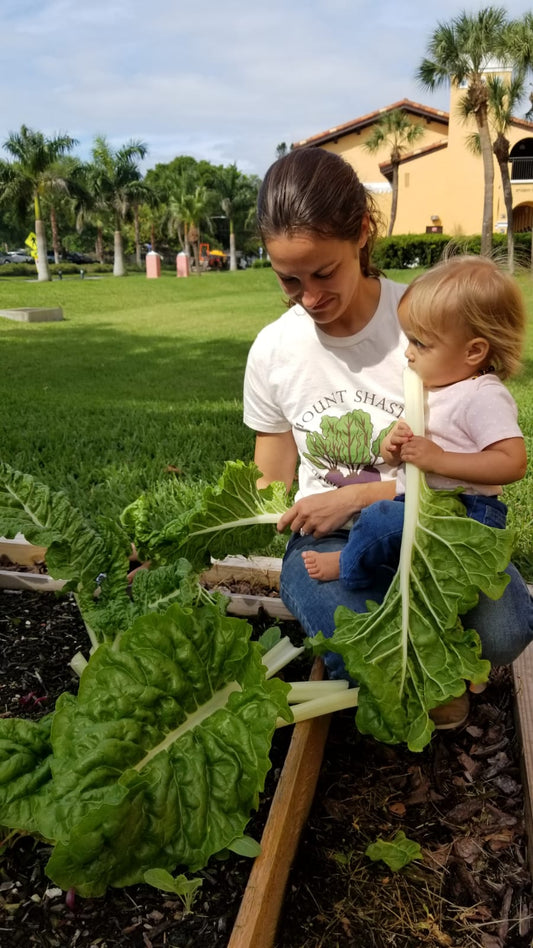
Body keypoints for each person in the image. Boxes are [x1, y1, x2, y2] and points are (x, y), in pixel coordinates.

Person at [243, 147, 533, 729]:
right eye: (289, 279)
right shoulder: (273, 351)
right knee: (362, 636)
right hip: (328, 544)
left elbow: (467, 457)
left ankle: (423, 674)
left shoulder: (428, 319)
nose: (309, 297)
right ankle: (431, 679)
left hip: (437, 522)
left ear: (363, 235)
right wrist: (267, 515)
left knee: (505, 631)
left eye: (324, 273)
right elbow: (272, 481)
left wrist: (353, 496)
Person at [302, 255, 527, 593]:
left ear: (473, 352)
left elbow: (513, 462)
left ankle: (349, 565)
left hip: (469, 512)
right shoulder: (431, 389)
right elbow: (401, 456)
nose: (408, 353)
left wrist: (439, 460)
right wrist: (392, 447)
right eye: (408, 339)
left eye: (420, 343)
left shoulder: (482, 396)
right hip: (423, 503)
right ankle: (372, 566)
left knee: (379, 520)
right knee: (382, 522)